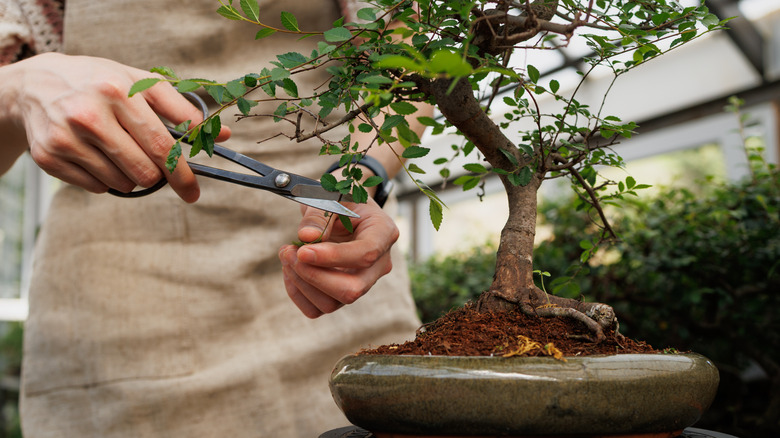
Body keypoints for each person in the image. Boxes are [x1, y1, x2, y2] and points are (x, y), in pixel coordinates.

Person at [0, 0, 424, 436]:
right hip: (120, 316)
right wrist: (17, 88)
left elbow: (404, 51)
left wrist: (359, 176)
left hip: (338, 286)